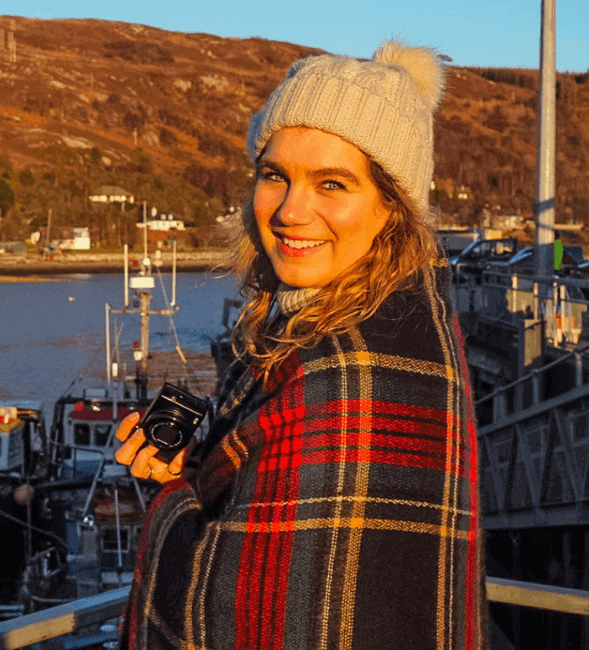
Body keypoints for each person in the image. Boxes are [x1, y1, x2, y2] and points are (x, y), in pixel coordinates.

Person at [115, 40, 488, 649]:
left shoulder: (347, 371)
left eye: (333, 183)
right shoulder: (400, 322)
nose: (290, 210)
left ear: (394, 209)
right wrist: (189, 468)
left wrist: (170, 497)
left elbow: (233, 623)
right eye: (275, 176)